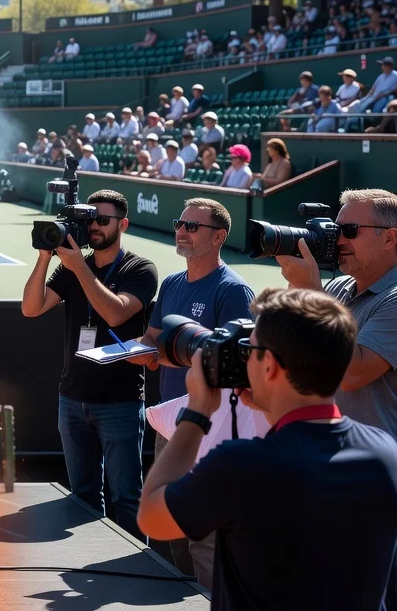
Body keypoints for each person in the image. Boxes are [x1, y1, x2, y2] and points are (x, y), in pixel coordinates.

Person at [137, 288, 397, 610]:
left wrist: (197, 412)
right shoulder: (386, 454)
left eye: (250, 349)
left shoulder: (241, 467)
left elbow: (151, 516)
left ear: (270, 366)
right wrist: (268, 405)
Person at [20, 190, 158, 539]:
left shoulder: (140, 269)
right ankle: (90, 559)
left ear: (122, 224)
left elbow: (114, 312)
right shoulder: (70, 270)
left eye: (102, 220)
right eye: (89, 219)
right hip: (72, 398)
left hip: (120, 401)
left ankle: (132, 570)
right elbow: (31, 308)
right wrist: (44, 257)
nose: (93, 226)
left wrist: (79, 267)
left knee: (125, 497)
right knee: (82, 496)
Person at [133, 198, 256, 587]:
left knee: (204, 538)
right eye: (179, 223)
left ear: (218, 237)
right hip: (170, 421)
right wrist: (136, 352)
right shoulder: (171, 283)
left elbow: (233, 364)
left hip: (209, 428)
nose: (181, 232)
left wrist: (165, 358)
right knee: (167, 529)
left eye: (191, 226)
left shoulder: (234, 290)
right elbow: (151, 339)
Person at [273, 189, 397, 444]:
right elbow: (284, 343)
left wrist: (311, 293)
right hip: (324, 448)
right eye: (335, 229)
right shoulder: (336, 287)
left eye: (350, 230)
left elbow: (352, 374)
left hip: (373, 464)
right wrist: (296, 287)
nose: (338, 239)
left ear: (390, 237)